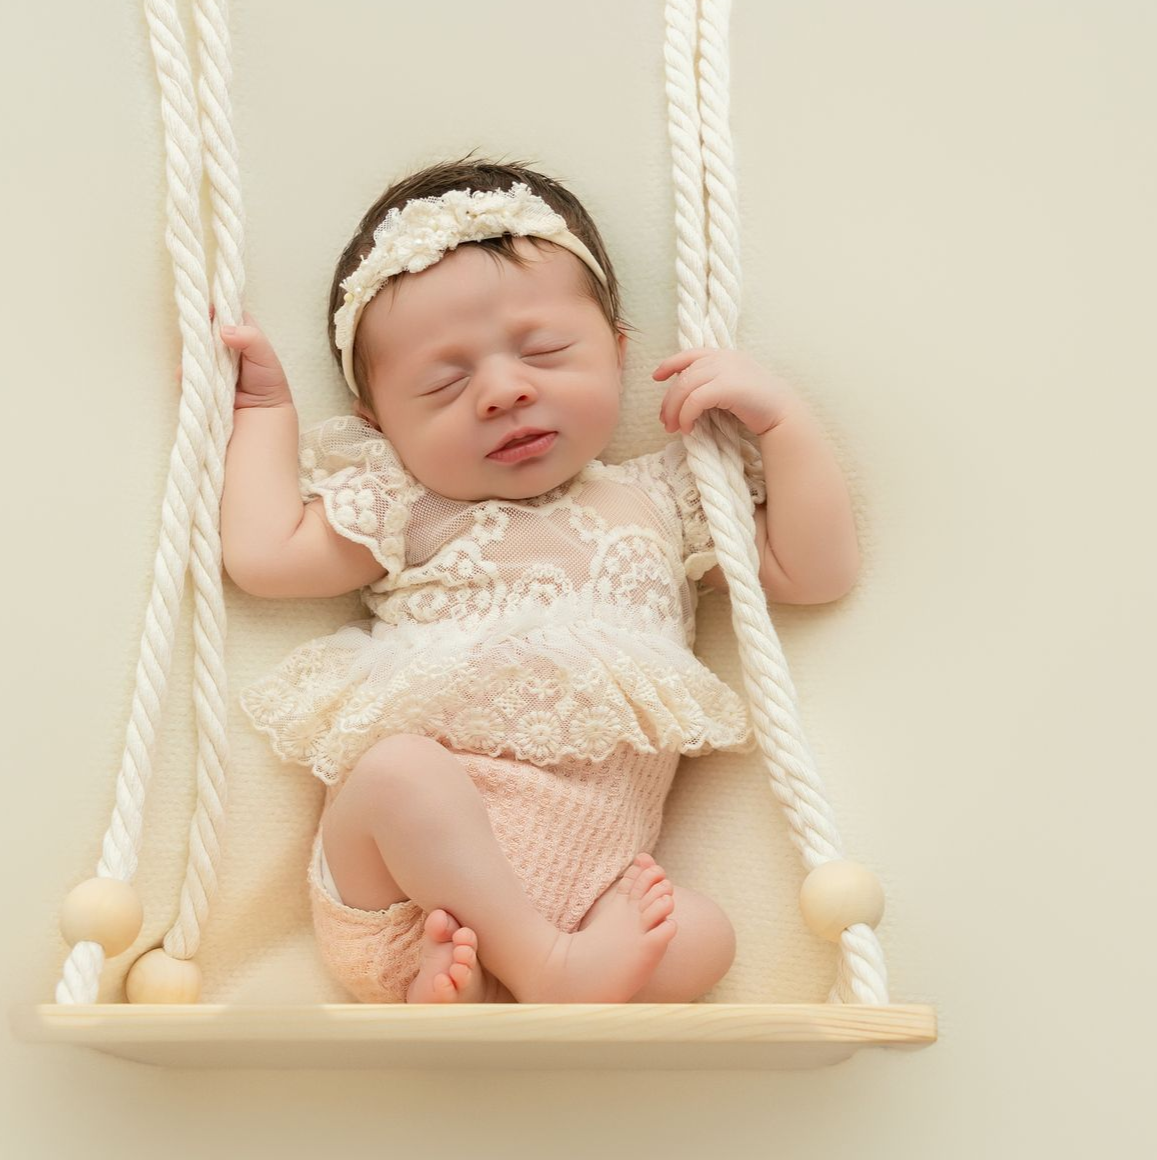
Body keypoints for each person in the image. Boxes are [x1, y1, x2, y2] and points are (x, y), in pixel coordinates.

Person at [219, 156, 859, 1004]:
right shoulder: (411, 508)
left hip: (589, 903)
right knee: (399, 772)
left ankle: (490, 989)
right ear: (379, 425)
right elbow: (264, 555)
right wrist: (263, 410)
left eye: (544, 352)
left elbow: (814, 571)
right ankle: (525, 966)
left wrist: (782, 424)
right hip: (403, 895)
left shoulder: (662, 500)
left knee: (705, 936)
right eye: (444, 384)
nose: (503, 392)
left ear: (618, 354)